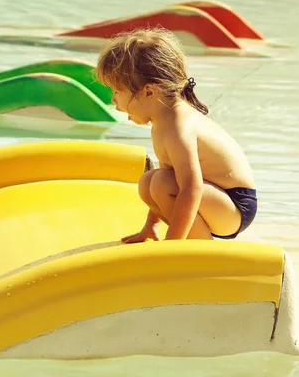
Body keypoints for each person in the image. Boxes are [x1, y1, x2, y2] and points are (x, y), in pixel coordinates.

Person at [95, 28, 258, 243]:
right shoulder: (162, 122)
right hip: (216, 200)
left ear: (149, 92)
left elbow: (191, 188)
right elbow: (171, 179)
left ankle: (200, 249)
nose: (114, 100)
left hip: (235, 206)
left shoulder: (179, 127)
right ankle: (191, 243)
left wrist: (172, 244)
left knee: (161, 182)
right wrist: (150, 227)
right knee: (148, 182)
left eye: (117, 91)